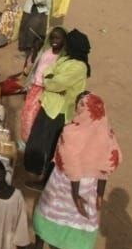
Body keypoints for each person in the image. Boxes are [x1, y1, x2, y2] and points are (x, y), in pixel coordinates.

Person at [28, 93, 122, 249]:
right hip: (90, 186)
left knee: (49, 210)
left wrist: (75, 194)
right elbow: (107, 166)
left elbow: (71, 166)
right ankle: (57, 247)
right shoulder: (107, 133)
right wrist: (99, 194)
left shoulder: (71, 132)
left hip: (64, 183)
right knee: (71, 217)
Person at [23, 29, 91, 188]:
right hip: (49, 104)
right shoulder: (66, 59)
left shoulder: (79, 67)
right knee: (38, 140)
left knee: (50, 146)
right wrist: (51, 78)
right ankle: (35, 170)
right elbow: (49, 71)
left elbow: (56, 83)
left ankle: (44, 181)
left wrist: (50, 80)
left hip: (60, 111)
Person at [19, 28, 67, 145]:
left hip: (46, 91)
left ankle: (29, 143)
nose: (54, 41)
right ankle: (25, 141)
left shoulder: (62, 59)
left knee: (33, 117)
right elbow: (33, 67)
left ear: (64, 40)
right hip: (35, 88)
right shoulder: (46, 51)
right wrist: (35, 50)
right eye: (52, 38)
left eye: (58, 38)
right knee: (26, 114)